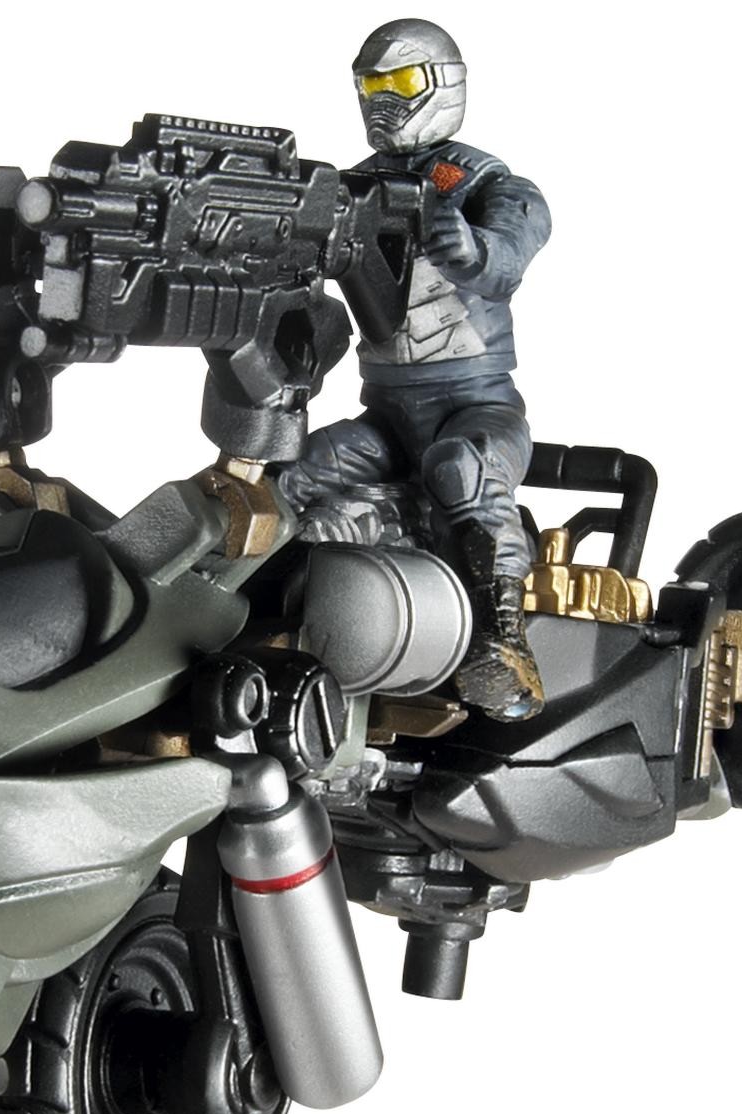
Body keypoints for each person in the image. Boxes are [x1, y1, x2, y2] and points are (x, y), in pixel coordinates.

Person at [277, 18, 552, 721]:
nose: (383, 99)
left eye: (400, 81)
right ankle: (259, 613)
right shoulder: (352, 187)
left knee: (461, 469)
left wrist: (470, 246)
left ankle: (504, 641)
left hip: (474, 403)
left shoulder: (486, 182)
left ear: (442, 83)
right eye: (371, 85)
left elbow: (510, 253)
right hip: (387, 414)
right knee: (296, 472)